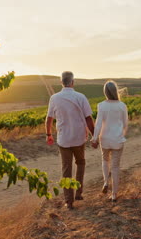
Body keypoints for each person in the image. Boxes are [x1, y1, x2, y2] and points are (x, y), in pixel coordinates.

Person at [46, 71, 95, 209]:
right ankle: (78, 192)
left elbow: (49, 118)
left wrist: (48, 134)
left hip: (64, 140)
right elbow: (88, 119)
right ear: (73, 82)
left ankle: (69, 201)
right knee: (81, 163)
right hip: (79, 138)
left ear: (61, 82)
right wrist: (94, 135)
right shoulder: (81, 97)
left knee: (66, 169)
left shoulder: (54, 98)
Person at [91, 80, 128, 202]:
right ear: (115, 91)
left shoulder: (101, 105)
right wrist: (121, 135)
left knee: (105, 160)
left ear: (105, 92)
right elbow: (125, 124)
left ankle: (106, 181)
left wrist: (94, 138)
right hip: (117, 139)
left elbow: (98, 124)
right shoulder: (122, 106)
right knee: (115, 167)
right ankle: (114, 195)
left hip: (105, 139)